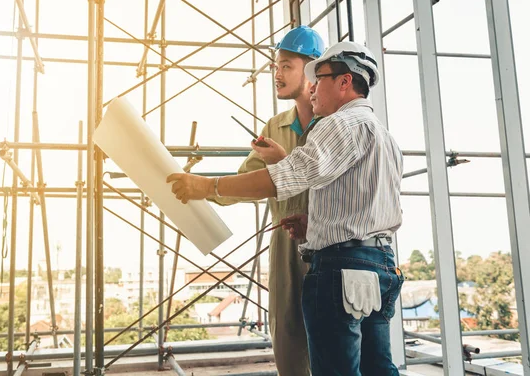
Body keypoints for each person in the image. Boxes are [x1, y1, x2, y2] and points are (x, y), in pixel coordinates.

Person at [167, 41, 404, 376]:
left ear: (344, 82)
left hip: (340, 266)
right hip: (379, 264)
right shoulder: (383, 136)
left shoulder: (339, 125)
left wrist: (206, 186)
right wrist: (315, 225)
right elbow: (366, 205)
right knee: (377, 368)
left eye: (318, 78)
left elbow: (284, 178)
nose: (313, 87)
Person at [210, 25, 325, 376]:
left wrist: (281, 164)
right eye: (276, 65)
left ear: (312, 70)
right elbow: (245, 182)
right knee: (287, 335)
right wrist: (200, 188)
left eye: (287, 65)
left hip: (329, 239)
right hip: (285, 243)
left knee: (332, 337)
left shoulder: (335, 123)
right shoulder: (276, 126)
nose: (277, 73)